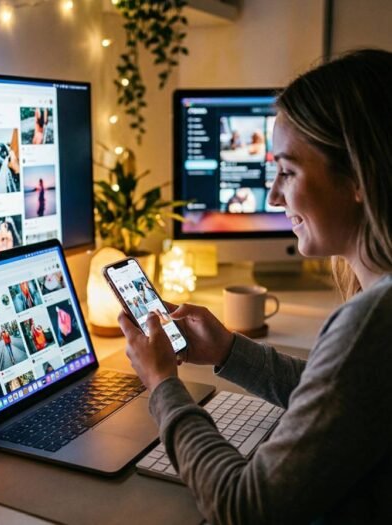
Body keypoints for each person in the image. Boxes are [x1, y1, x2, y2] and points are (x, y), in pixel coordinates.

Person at [117, 49, 392, 524]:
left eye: (288, 171)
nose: (272, 195)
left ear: (358, 178)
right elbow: (338, 396)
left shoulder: (372, 320)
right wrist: (228, 350)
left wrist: (162, 384)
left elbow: (244, 507)